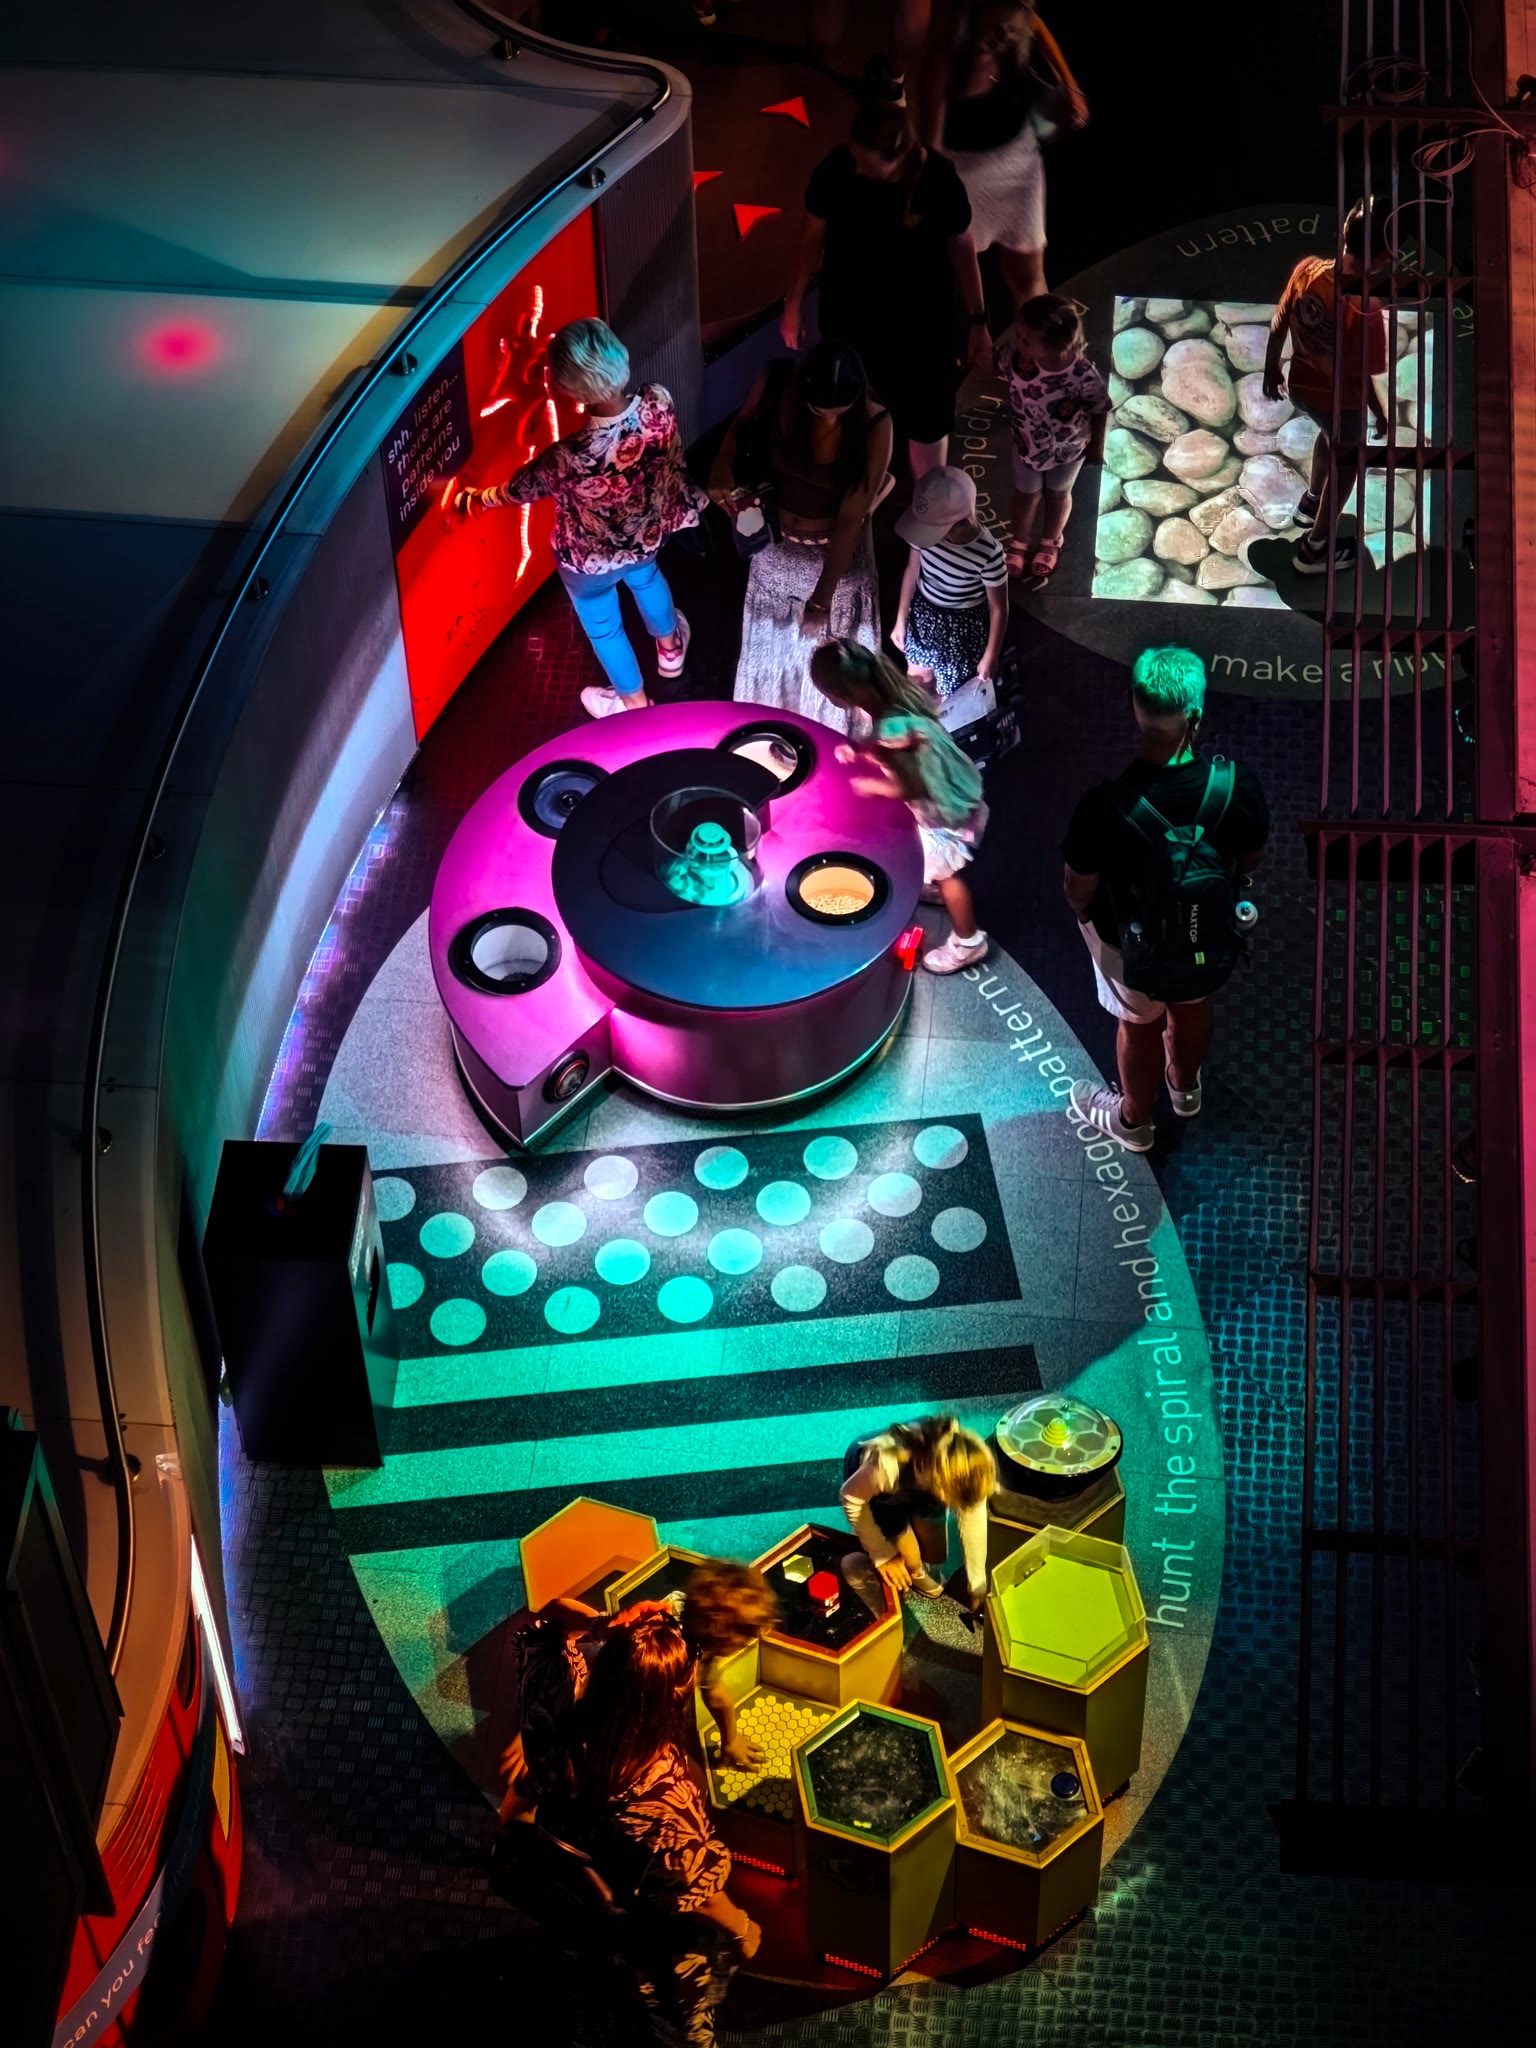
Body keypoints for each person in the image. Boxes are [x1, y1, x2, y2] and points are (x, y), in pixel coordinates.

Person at [519, 1602, 761, 2046]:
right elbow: (699, 1892)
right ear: (673, 1697)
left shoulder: (550, 1701)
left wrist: (603, 1626)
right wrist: (743, 1928)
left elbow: (548, 1622)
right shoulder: (660, 1795)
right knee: (682, 2022)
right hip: (652, 1933)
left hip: (581, 1895)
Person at [1062, 646, 1270, 1151]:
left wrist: (1089, 920)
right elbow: (1252, 858)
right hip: (1205, 933)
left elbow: (1078, 890)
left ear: (1134, 707)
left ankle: (1134, 1121)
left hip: (1129, 944)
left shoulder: (1102, 806)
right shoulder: (1234, 786)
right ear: (1195, 714)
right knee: (1193, 1005)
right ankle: (1184, 1088)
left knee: (1138, 1024)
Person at [444, 318, 703, 718]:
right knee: (647, 578)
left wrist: (479, 498)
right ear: (619, 355)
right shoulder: (657, 400)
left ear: (569, 391)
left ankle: (634, 706)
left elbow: (519, 489)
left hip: (587, 560)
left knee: (605, 627)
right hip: (647, 535)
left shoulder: (567, 456)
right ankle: (671, 651)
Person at [781, 100, 990, 480]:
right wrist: (793, 304)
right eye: (854, 156)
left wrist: (978, 320)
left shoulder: (939, 181)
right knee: (853, 413)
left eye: (865, 162)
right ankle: (859, 494)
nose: (857, 167)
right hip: (851, 319)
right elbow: (811, 239)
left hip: (924, 327)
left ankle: (928, 504)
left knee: (926, 423)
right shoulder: (836, 168)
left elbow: (962, 247)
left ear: (896, 158)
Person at [712, 343, 893, 731]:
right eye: (818, 410)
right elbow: (741, 426)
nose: (829, 418)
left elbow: (851, 518)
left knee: (827, 670)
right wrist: (722, 464)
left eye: (839, 412)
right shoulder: (774, 381)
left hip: (835, 566)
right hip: (775, 550)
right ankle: (773, 731)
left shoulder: (875, 423)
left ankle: (826, 739)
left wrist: (821, 600)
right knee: (773, 658)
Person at [809, 639, 989, 972]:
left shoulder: (890, 733)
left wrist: (871, 786)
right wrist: (861, 751)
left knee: (950, 878)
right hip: (958, 786)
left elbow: (913, 786)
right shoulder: (894, 692)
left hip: (942, 813)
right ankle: (933, 883)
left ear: (840, 698)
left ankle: (969, 941)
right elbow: (885, 736)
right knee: (936, 868)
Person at [923, 0, 1088, 311]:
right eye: (997, 28)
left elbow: (1035, 25)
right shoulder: (947, 59)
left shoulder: (1017, 26)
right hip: (965, 172)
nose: (1004, 37)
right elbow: (931, 143)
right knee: (958, 279)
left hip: (1020, 163)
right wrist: (937, 195)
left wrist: (1070, 86)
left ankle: (1043, 339)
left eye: (1013, 30)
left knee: (1028, 278)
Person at [1264, 198, 1393, 577]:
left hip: (1302, 387)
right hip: (1342, 402)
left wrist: (1271, 368)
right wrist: (1378, 411)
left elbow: (1280, 320)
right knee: (1348, 463)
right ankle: (1315, 549)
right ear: (1384, 258)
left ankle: (1311, 501)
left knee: (1327, 435)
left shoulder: (1308, 270)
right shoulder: (1367, 309)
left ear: (1344, 235)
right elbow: (1362, 373)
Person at [996, 292, 1109, 584]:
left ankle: (1051, 540)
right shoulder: (1016, 358)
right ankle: (1019, 541)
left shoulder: (1082, 374)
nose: (1017, 344)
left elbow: (1100, 408)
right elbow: (997, 366)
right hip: (1026, 444)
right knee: (1026, 494)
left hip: (1067, 450)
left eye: (1025, 341)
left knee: (1058, 494)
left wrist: (1096, 448)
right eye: (1018, 337)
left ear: (1055, 346)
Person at [840, 1415, 998, 1611]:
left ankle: (917, 1553)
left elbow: (973, 1519)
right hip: (880, 1495)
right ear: (941, 1492)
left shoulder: (970, 1462)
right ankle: (915, 1571)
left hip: (923, 1482)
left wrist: (977, 1586)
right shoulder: (885, 1466)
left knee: (937, 1555)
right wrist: (882, 1555)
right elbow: (851, 1499)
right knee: (911, 1559)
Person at [891, 464, 1009, 699]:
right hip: (924, 613)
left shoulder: (988, 553)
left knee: (950, 689)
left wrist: (991, 655)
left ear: (961, 521)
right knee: (916, 677)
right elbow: (913, 569)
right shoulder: (921, 534)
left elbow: (999, 608)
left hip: (962, 626)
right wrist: (901, 619)